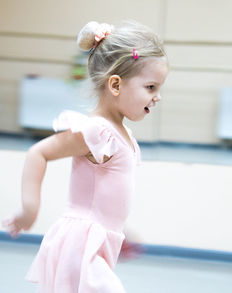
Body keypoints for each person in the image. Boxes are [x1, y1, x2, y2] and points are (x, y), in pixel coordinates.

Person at [2, 20, 169, 292]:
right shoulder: (97, 131)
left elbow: (105, 198)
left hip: (95, 244)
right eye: (151, 87)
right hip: (79, 246)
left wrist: (121, 231)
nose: (158, 97)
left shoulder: (120, 134)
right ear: (115, 85)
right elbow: (38, 152)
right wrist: (29, 208)